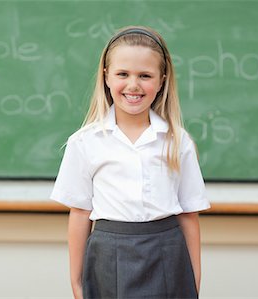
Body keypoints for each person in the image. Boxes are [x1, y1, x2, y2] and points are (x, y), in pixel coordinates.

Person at [51, 25, 210, 299]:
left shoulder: (177, 141)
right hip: (107, 256)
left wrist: (194, 282)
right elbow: (79, 214)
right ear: (107, 77)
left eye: (145, 75)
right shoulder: (84, 141)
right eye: (123, 74)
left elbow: (189, 214)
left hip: (168, 254)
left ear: (161, 80)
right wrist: (77, 284)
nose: (133, 85)